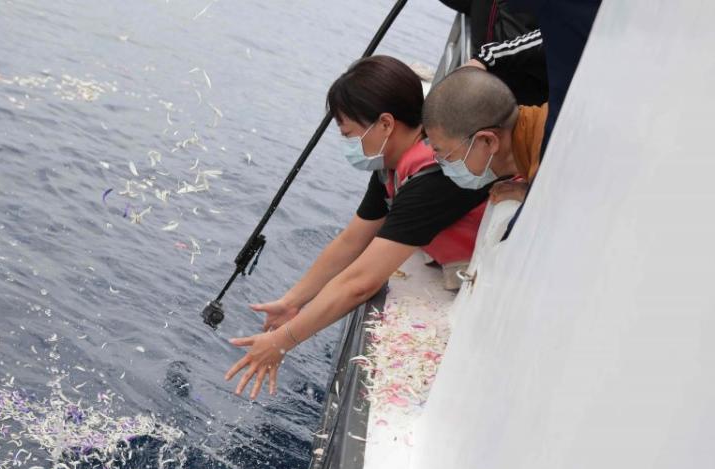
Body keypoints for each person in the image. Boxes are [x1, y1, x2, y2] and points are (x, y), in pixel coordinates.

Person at [224, 55, 491, 399]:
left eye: (349, 134)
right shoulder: (391, 166)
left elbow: (361, 283)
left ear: (385, 124)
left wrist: (280, 342)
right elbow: (352, 240)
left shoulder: (433, 177)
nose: (349, 145)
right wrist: (293, 302)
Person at [422, 67, 546, 206]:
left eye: (447, 156)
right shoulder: (542, 125)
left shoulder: (549, 162)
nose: (446, 167)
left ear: (488, 141)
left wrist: (535, 198)